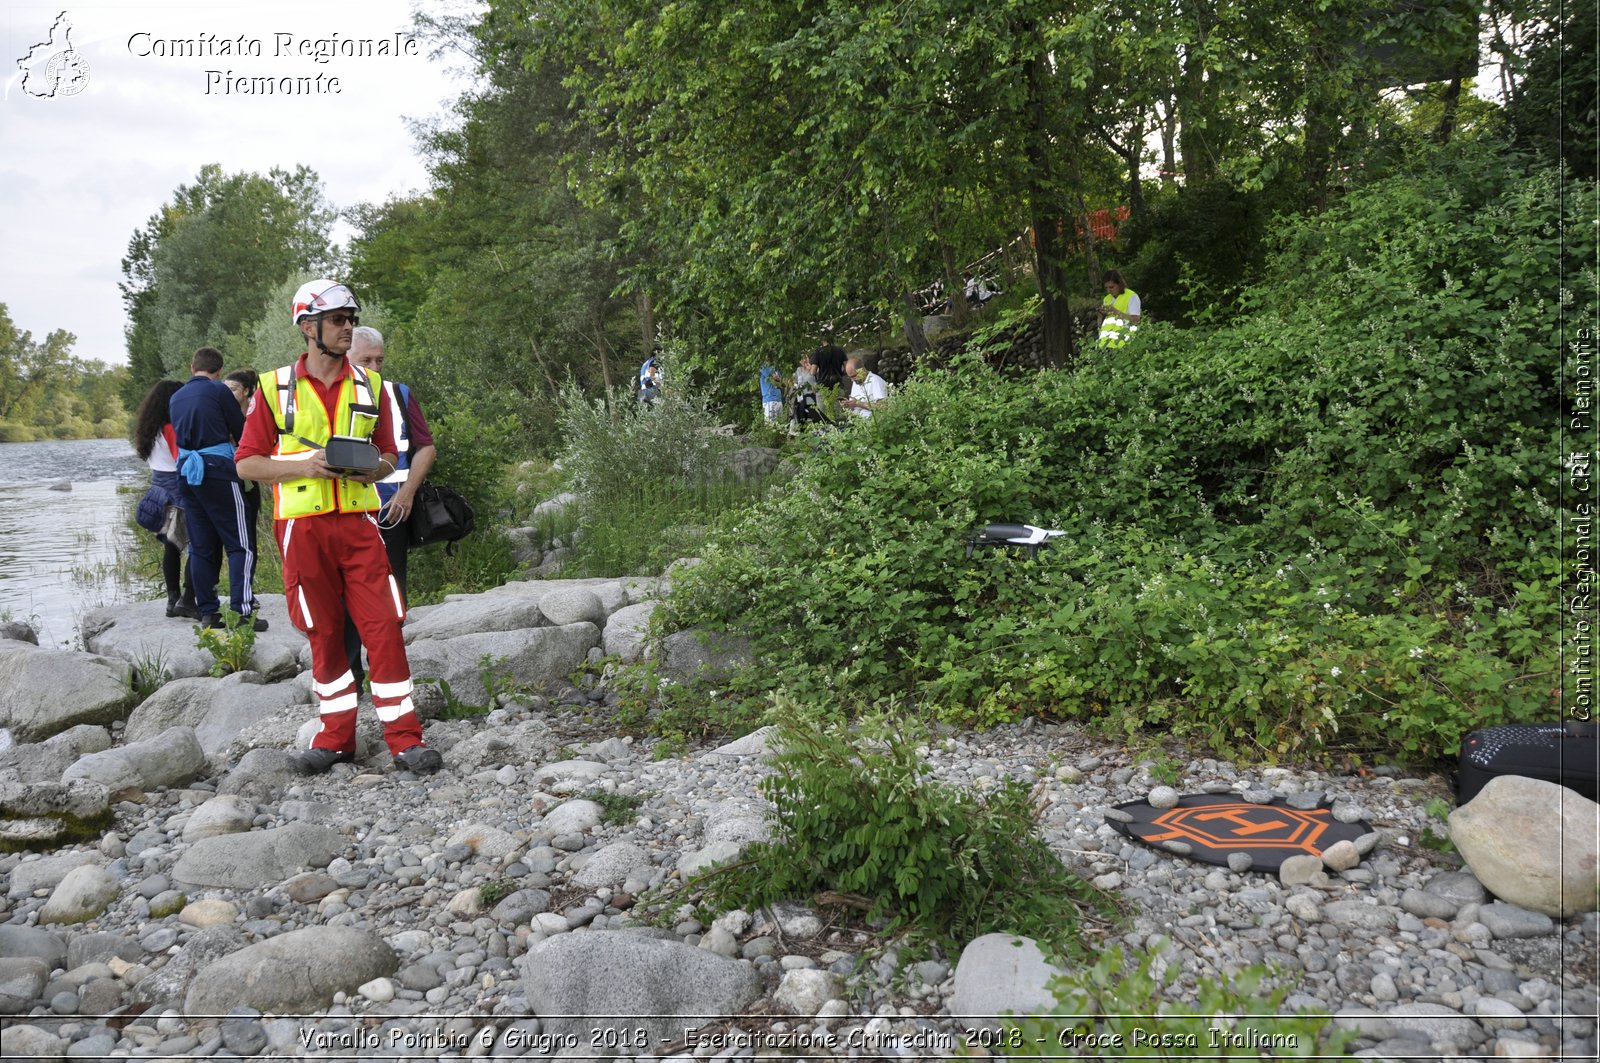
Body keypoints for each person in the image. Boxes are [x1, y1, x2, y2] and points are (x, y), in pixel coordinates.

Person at [235, 278, 442, 776]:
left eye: (351, 319)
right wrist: (304, 465)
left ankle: (406, 741)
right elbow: (246, 465)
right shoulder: (272, 387)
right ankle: (335, 740)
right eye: (338, 320)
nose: (348, 327)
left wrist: (372, 468)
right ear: (309, 327)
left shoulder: (374, 386)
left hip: (359, 524)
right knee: (324, 634)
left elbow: (394, 454)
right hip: (301, 529)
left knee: (384, 627)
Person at [342, 325, 437, 691]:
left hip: (391, 511)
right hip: (346, 510)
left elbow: (425, 446)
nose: (374, 367)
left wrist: (408, 492)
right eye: (366, 360)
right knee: (343, 594)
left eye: (379, 360)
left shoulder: (397, 394)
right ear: (346, 358)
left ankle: (390, 674)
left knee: (391, 593)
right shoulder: (328, 397)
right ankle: (350, 678)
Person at [168, 346, 263, 631]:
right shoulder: (219, 391)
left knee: (200, 546)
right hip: (218, 469)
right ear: (219, 371)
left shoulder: (175, 397)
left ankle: (208, 612)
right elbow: (242, 429)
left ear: (192, 366)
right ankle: (242, 611)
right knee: (240, 544)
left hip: (186, 472)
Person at [132, 379, 196, 619]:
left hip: (158, 491)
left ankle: (172, 599)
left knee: (171, 549)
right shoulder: (172, 428)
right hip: (178, 491)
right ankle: (188, 599)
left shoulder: (149, 429)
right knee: (196, 546)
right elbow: (183, 460)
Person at [224, 369, 264, 615]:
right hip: (227, 481)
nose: (227, 394)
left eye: (233, 389)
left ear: (246, 391)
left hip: (249, 483)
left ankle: (247, 590)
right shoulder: (222, 414)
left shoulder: (255, 414)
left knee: (248, 538)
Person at [1097, 269, 1141, 347]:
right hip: (1105, 344)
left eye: (1111, 287)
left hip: (1124, 344)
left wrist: (1115, 311)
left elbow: (1136, 320)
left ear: (1120, 284)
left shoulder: (1131, 296)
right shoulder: (1107, 299)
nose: (1109, 290)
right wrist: (1101, 315)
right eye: (1106, 288)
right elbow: (1102, 324)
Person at [840, 351, 890, 418]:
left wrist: (858, 403)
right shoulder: (856, 382)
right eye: (850, 377)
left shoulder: (876, 381)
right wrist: (848, 405)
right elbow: (854, 406)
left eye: (853, 376)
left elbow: (883, 407)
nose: (852, 380)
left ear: (862, 369)